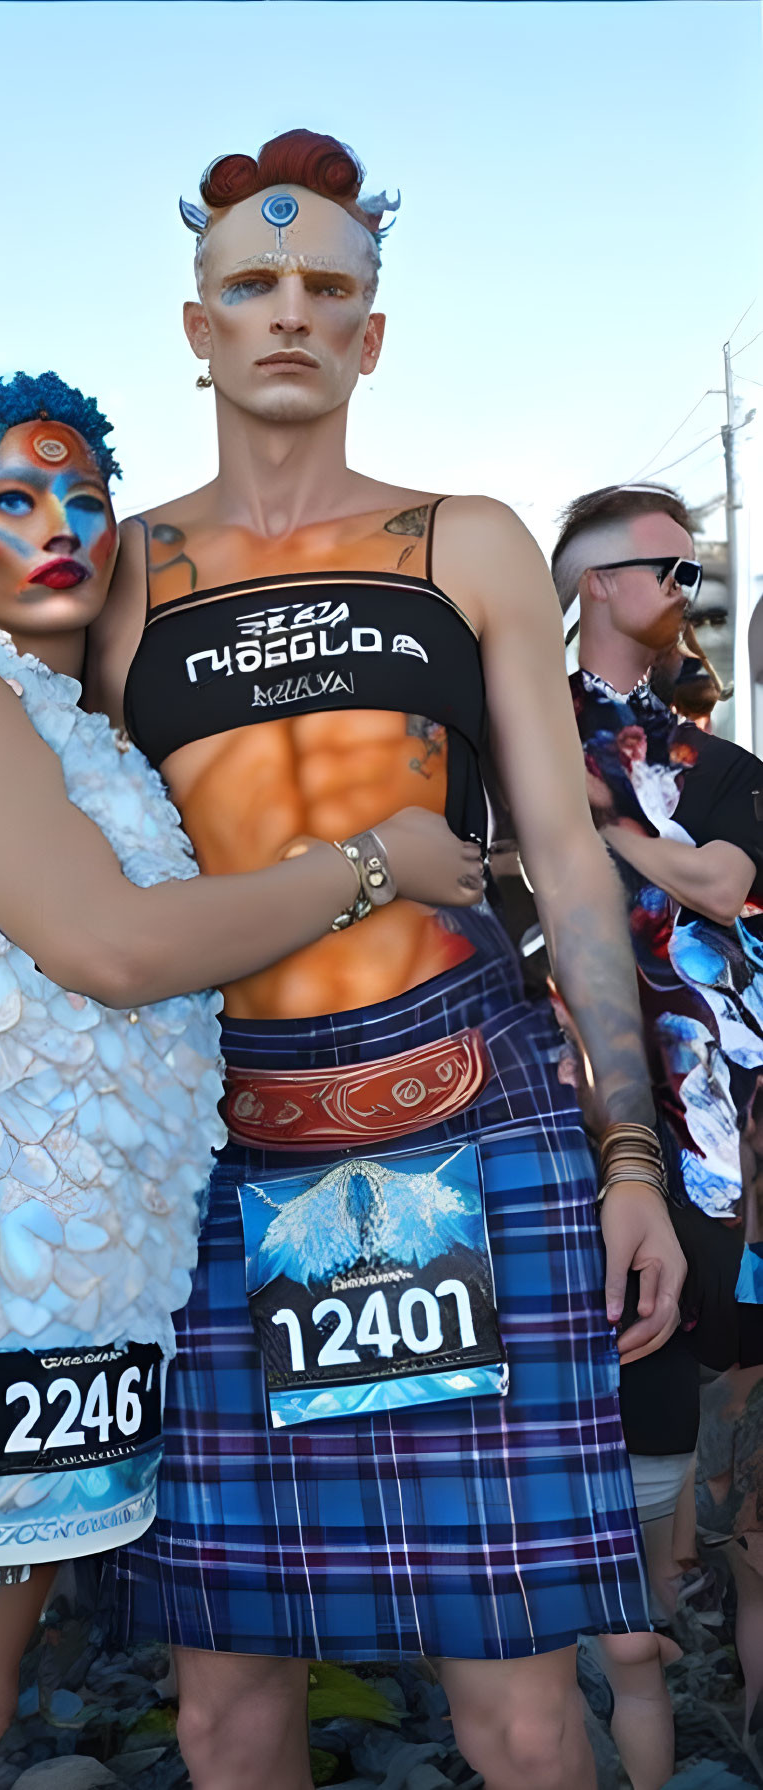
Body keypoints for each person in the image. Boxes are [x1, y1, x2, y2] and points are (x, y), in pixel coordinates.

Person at [0, 133, 686, 1790]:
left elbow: (564, 859)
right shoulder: (112, 567)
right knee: (221, 1710)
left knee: (512, 1704)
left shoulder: (470, 539)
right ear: (195, 326)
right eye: (252, 288)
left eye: (326, 290)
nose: (289, 314)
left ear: (371, 332)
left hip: (467, 1111)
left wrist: (626, 1152)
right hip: (214, 1145)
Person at [0, 362, 479, 1790]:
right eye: (11, 498)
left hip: (60, 1300)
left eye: (83, 496)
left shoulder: (84, 729)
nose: (58, 522)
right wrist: (374, 865)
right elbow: (115, 943)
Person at [553, 480, 763, 1787]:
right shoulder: (504, 735)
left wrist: (612, 826)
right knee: (605, 1379)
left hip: (720, 1125)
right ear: (589, 576)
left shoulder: (726, 765)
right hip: (556, 1105)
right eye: (666, 568)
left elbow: (727, 883)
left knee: (714, 1409)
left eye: (697, 574)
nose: (687, 594)